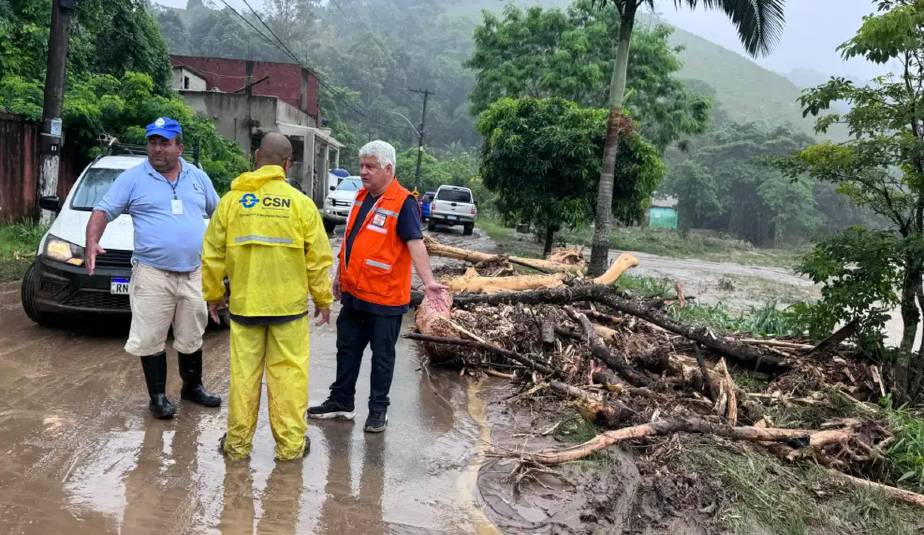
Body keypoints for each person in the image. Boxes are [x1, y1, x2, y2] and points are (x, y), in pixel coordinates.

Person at [201, 133, 333, 461]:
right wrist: (323, 299)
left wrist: (214, 295)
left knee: (243, 379)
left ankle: (237, 446)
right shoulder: (301, 205)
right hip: (288, 311)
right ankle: (290, 448)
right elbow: (318, 258)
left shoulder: (232, 202)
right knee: (289, 379)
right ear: (287, 164)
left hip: (245, 307)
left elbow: (212, 254)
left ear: (257, 156)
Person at [86, 117, 221, 419]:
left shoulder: (198, 178)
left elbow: (221, 214)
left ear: (179, 147)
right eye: (153, 142)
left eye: (164, 143)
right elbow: (103, 210)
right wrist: (92, 241)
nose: (157, 149)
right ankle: (158, 397)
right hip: (152, 274)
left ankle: (193, 387)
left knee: (191, 334)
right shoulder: (132, 178)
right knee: (150, 337)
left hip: (193, 272)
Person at [307, 140, 447, 433]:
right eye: (361, 166)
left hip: (385, 300)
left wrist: (429, 281)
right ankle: (341, 402)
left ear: (388, 169)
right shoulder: (360, 197)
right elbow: (350, 240)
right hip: (354, 294)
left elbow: (415, 243)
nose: (363, 172)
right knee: (347, 350)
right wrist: (339, 276)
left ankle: (378, 410)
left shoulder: (403, 202)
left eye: (370, 166)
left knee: (382, 358)